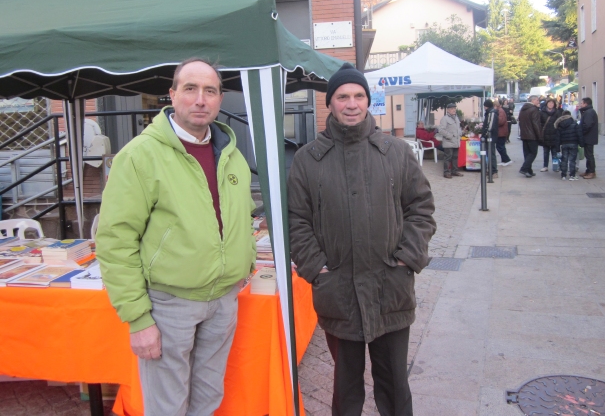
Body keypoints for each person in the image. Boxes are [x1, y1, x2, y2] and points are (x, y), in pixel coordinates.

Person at [96, 58, 256, 415]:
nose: (201, 99)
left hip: (223, 299)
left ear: (219, 99)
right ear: (172, 95)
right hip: (170, 305)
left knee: (207, 399)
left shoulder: (231, 155)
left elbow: (241, 218)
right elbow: (115, 241)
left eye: (210, 91)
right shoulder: (140, 156)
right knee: (168, 406)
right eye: (190, 89)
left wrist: (244, 263)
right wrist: (138, 319)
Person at [287, 63, 436, 416]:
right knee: (346, 387)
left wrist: (407, 257)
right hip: (338, 291)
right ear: (330, 103)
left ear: (368, 101)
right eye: (342, 97)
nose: (351, 104)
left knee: (395, 384)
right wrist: (317, 268)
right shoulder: (309, 159)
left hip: (391, 287)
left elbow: (421, 207)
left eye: (358, 96)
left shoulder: (396, 152)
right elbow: (297, 220)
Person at [554, 110, 584, 180]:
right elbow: (579, 134)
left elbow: (557, 138)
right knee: (572, 160)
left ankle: (563, 175)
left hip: (564, 144)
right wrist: (582, 144)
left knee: (564, 159)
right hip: (574, 143)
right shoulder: (575, 123)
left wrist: (557, 148)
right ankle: (572, 175)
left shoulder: (559, 125)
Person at [518, 95, 543, 178]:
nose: (538, 102)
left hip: (524, 134)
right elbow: (536, 124)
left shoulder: (523, 108)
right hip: (532, 135)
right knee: (533, 153)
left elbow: (520, 121)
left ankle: (529, 171)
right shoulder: (534, 109)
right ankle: (524, 169)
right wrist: (539, 136)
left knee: (527, 153)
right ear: (533, 100)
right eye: (537, 100)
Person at [438, 102, 464, 178]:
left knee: (455, 157)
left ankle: (454, 171)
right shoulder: (445, 119)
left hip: (456, 141)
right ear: (448, 110)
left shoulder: (456, 117)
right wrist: (449, 136)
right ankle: (446, 172)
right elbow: (441, 130)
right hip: (448, 141)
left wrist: (460, 133)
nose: (454, 110)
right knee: (448, 157)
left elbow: (458, 128)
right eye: (452, 108)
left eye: (454, 108)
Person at [539, 98, 562, 172]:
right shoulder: (542, 112)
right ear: (546, 104)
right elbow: (540, 123)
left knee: (554, 152)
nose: (551, 104)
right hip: (545, 134)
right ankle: (545, 166)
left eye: (552, 103)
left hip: (554, 134)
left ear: (554, 105)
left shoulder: (557, 112)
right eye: (549, 103)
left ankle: (555, 166)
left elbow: (560, 123)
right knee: (546, 152)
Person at [579, 97, 599, 179]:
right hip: (589, 136)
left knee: (589, 155)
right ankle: (588, 170)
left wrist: (581, 132)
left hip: (589, 137)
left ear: (586, 104)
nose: (580, 104)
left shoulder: (589, 112)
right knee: (588, 155)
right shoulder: (588, 111)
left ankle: (592, 172)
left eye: (582, 103)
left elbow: (587, 125)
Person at [481, 99, 499, 178]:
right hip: (489, 136)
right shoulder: (489, 112)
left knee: (491, 154)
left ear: (486, 106)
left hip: (490, 137)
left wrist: (485, 134)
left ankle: (494, 171)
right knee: (489, 154)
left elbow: (490, 126)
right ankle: (490, 170)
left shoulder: (491, 113)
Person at [494, 99, 512, 166]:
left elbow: (500, 121)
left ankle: (507, 159)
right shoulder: (500, 111)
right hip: (501, 132)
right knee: (501, 146)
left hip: (501, 132)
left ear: (496, 106)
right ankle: (504, 160)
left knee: (500, 147)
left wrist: (494, 121)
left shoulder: (500, 111)